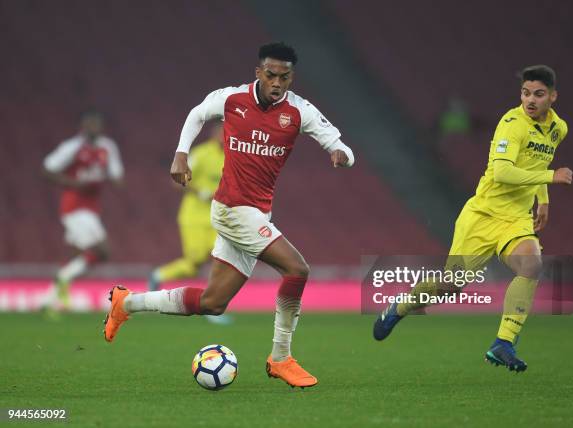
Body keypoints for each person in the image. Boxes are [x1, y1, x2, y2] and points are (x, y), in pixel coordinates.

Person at [103, 42, 355, 388]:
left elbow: (337, 142)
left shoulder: (300, 111)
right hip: (233, 209)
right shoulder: (232, 98)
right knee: (297, 269)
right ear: (258, 73)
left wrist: (341, 154)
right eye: (270, 75)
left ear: (291, 78)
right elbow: (197, 113)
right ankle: (281, 358)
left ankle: (125, 303)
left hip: (257, 213)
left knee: (213, 302)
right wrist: (181, 154)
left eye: (284, 77)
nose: (277, 83)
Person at [373, 65, 573, 372]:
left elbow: (540, 160)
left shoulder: (558, 129)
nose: (530, 100)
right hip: (482, 215)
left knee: (531, 264)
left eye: (538, 94)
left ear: (553, 96)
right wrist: (552, 177)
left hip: (515, 219)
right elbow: (504, 173)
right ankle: (400, 306)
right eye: (525, 93)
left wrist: (542, 200)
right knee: (451, 286)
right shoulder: (511, 124)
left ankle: (503, 343)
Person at [148, 122, 231, 325]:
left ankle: (211, 306)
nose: (225, 136)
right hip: (193, 217)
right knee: (194, 263)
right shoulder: (201, 154)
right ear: (214, 134)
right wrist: (199, 191)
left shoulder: (232, 157)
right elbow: (177, 179)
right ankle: (158, 275)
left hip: (217, 217)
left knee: (221, 258)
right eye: (222, 132)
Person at [42, 109, 123, 312]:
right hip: (74, 206)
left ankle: (49, 300)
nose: (93, 127)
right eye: (89, 124)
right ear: (82, 126)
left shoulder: (107, 147)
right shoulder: (72, 147)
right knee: (102, 250)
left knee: (78, 255)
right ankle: (62, 279)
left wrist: (112, 179)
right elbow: (47, 168)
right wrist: (73, 183)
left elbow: (116, 175)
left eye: (96, 124)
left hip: (93, 207)